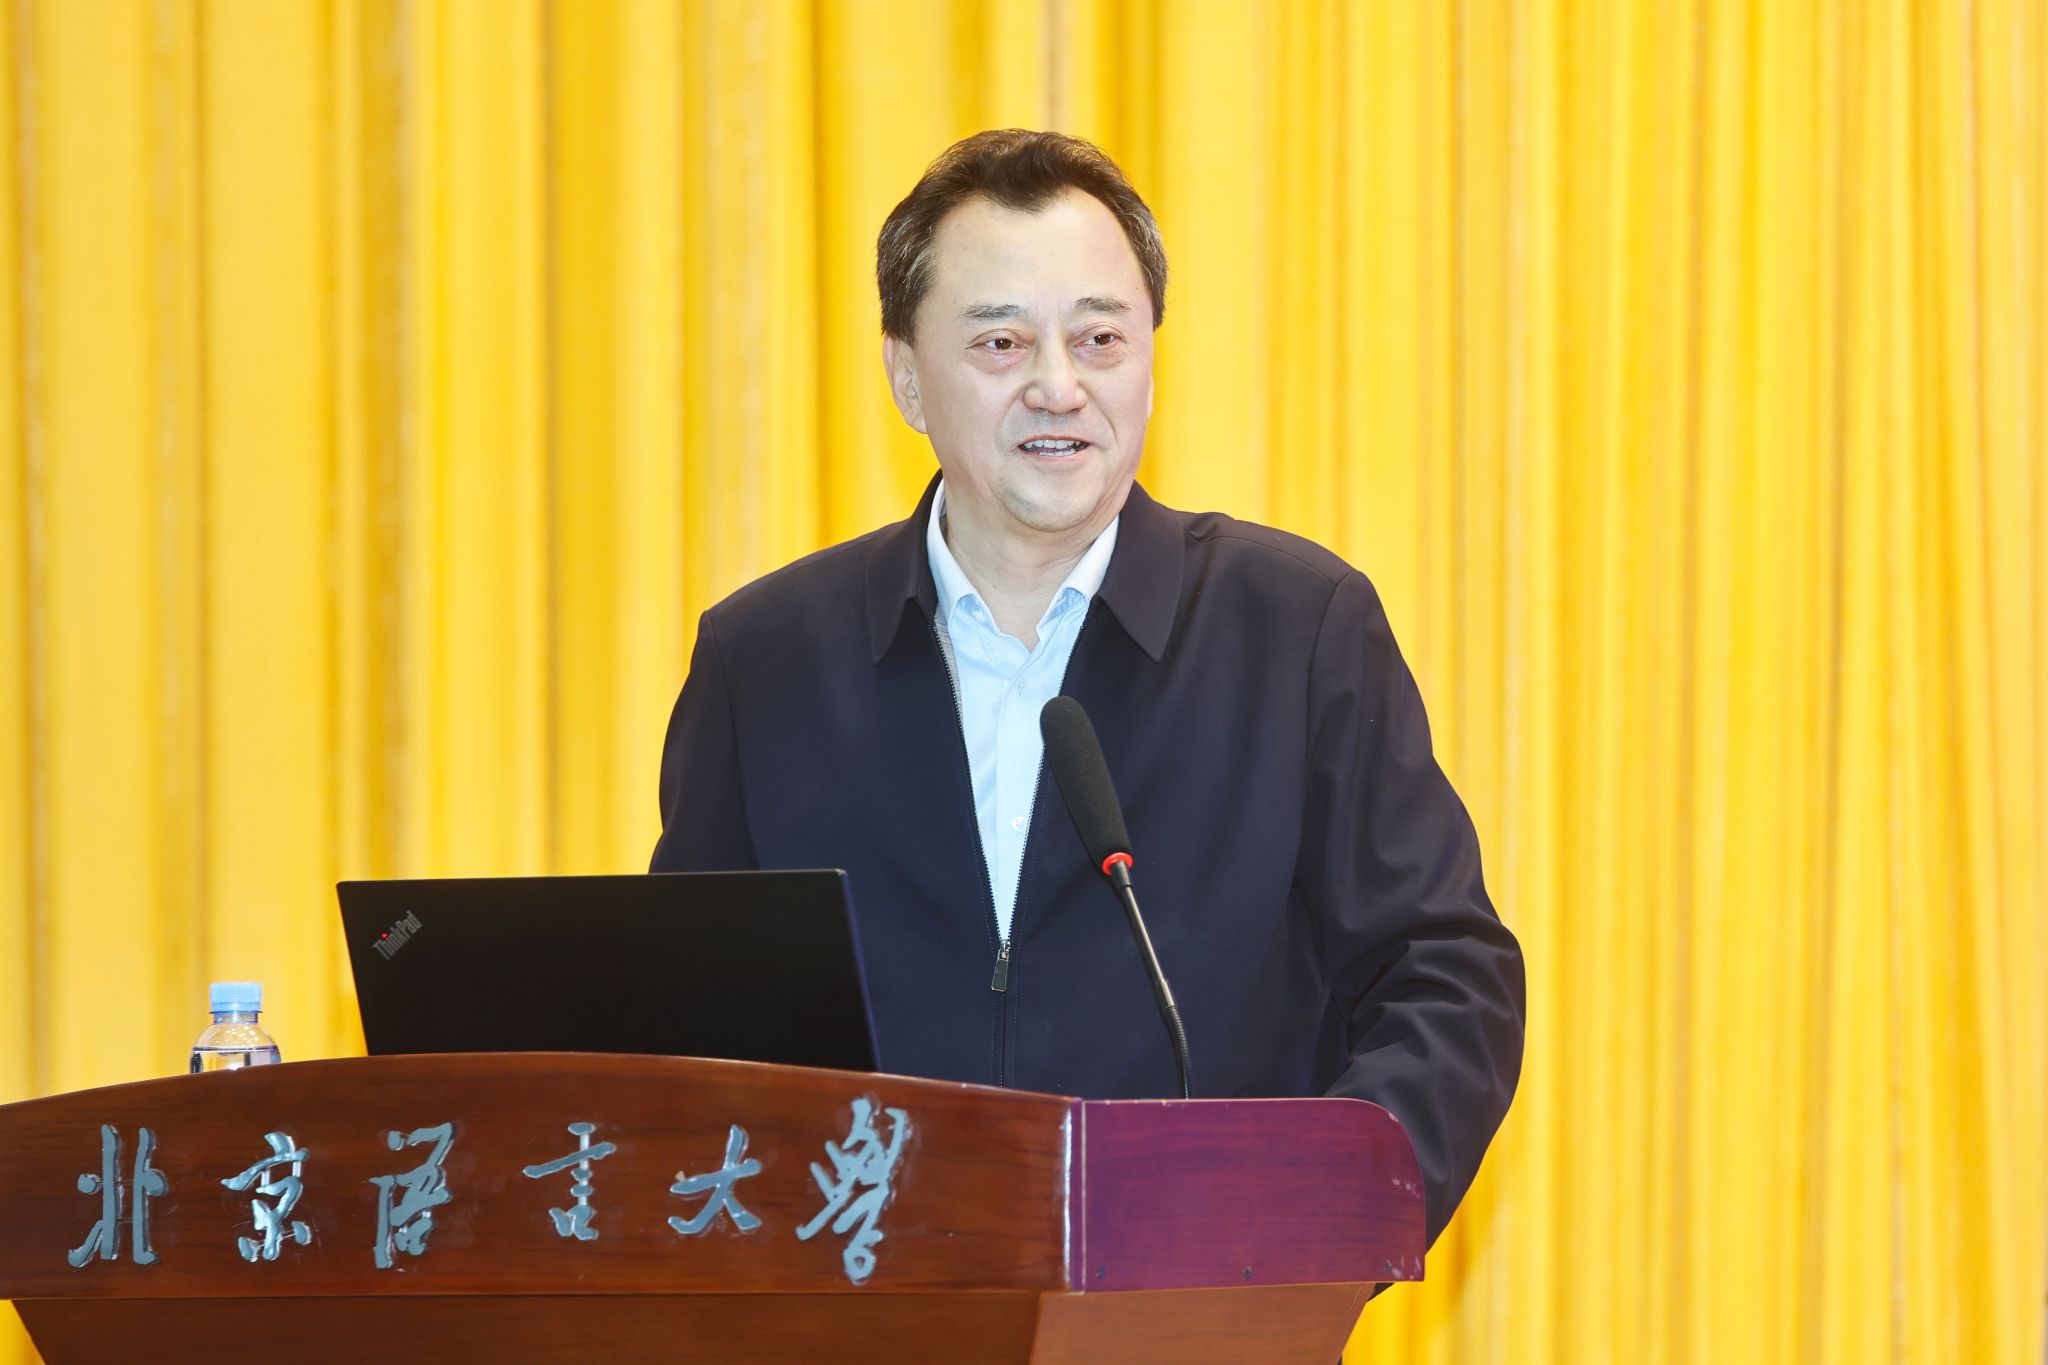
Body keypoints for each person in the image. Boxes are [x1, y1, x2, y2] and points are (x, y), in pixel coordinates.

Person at [652, 129, 1524, 1248]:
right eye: (1001, 343)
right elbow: (686, 1028)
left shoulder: (1294, 630)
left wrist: (1316, 1218)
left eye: (1100, 338)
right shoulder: (766, 662)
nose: (1057, 388)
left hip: (1202, 1296)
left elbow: (1444, 976)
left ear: (1150, 360)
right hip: (864, 1298)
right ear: (906, 377)